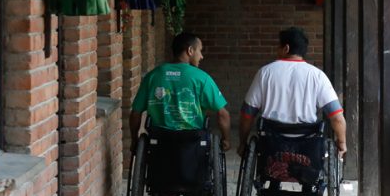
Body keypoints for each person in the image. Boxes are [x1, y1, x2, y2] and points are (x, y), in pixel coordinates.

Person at [239, 26, 347, 160]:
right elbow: (337, 117)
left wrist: (242, 143)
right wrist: (342, 143)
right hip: (307, 149)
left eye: (278, 46)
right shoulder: (318, 76)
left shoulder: (264, 73)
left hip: (271, 148)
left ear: (286, 48)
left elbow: (247, 114)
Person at [130, 31, 231, 152]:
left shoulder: (153, 76)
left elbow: (135, 113)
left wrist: (134, 140)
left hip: (159, 142)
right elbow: (223, 114)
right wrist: (226, 139)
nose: (201, 56)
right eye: (200, 50)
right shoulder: (202, 78)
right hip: (192, 142)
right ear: (190, 51)